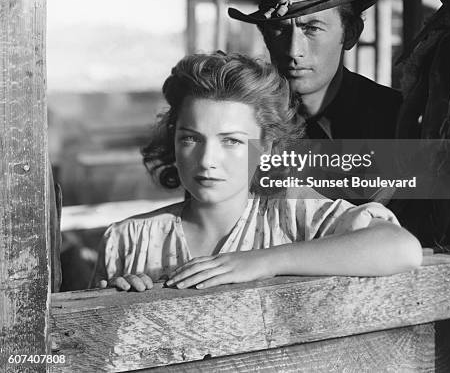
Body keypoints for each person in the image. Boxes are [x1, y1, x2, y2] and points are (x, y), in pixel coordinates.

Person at [93, 53, 421, 292]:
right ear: (173, 141)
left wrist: (262, 261)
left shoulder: (295, 219)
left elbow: (401, 248)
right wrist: (117, 297)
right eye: (191, 138)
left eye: (232, 141)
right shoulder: (128, 239)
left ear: (264, 148)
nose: (208, 160)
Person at [228, 0, 402, 204]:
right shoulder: (241, 121)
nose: (294, 50)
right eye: (279, 30)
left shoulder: (395, 119)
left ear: (350, 33)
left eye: (312, 28)